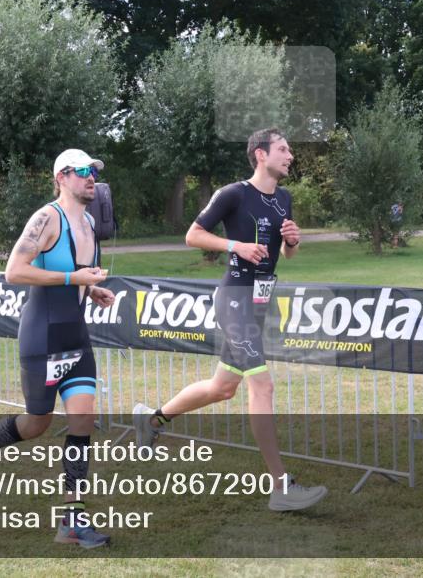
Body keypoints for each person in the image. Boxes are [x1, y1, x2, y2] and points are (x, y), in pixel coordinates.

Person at [133, 128, 327, 512]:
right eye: (283, 149)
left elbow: (287, 256)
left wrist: (292, 241)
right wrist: (235, 245)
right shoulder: (233, 194)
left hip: (260, 302)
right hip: (234, 298)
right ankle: (280, 487)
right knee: (263, 387)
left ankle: (152, 421)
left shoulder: (284, 198)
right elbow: (193, 235)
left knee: (223, 387)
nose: (290, 156)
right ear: (260, 154)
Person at [0, 149, 116, 548]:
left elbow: (76, 278)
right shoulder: (46, 218)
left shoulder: (88, 221)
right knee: (37, 424)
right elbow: (14, 271)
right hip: (43, 338)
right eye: (85, 172)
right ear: (62, 176)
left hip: (76, 336)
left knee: (83, 420)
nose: (92, 179)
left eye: (95, 173)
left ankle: (72, 520)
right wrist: (73, 277)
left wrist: (92, 288)